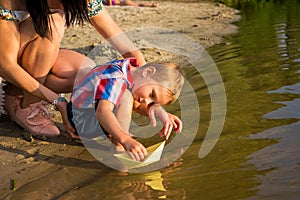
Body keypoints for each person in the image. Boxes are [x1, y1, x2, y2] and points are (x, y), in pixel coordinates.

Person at [0, 0, 146, 138]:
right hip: (6, 60)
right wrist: (58, 101)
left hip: (24, 55)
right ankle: (28, 105)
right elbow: (5, 65)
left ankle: (15, 93)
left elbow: (128, 49)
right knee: (52, 24)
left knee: (84, 71)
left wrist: (146, 89)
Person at [67, 58, 184, 161]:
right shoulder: (116, 78)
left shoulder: (130, 70)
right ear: (148, 71)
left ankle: (118, 137)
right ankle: (118, 148)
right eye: (152, 94)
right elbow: (102, 111)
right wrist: (125, 140)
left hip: (87, 112)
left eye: (153, 102)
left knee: (129, 95)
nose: (147, 102)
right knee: (126, 96)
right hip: (80, 120)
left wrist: (161, 114)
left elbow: (136, 105)